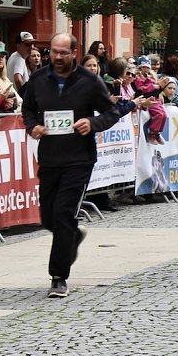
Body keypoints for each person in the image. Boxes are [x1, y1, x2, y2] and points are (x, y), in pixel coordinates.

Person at [21, 33, 121, 298]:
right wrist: (33, 127)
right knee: (49, 218)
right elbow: (28, 108)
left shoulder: (89, 81)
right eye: (54, 51)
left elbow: (111, 112)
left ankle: (58, 276)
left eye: (63, 53)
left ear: (74, 53)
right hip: (50, 157)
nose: (57, 57)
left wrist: (93, 123)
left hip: (79, 159)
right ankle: (72, 236)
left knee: (64, 214)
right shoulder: (39, 79)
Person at [134, 56, 168, 144]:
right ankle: (152, 133)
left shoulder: (151, 76)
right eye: (143, 67)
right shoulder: (139, 78)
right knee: (159, 114)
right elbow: (141, 88)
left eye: (147, 67)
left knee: (164, 115)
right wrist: (153, 87)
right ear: (139, 67)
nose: (145, 69)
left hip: (156, 98)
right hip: (148, 98)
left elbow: (156, 87)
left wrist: (160, 85)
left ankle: (158, 133)